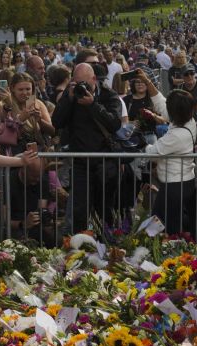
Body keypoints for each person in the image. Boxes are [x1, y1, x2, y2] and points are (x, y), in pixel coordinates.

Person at [52, 62, 124, 233]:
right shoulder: (71, 95)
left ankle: (106, 243)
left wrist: (93, 105)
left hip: (105, 161)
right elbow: (57, 122)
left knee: (105, 207)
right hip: (80, 161)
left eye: (84, 83)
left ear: (94, 79)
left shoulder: (108, 95)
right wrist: (68, 99)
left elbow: (115, 124)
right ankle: (80, 247)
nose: (81, 87)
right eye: (77, 83)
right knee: (79, 210)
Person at [143, 89, 196, 234]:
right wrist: (148, 83)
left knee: (161, 226)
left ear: (173, 111)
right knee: (165, 223)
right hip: (181, 183)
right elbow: (162, 106)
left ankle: (171, 253)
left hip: (175, 186)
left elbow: (153, 153)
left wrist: (142, 143)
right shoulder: (189, 122)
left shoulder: (177, 135)